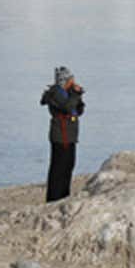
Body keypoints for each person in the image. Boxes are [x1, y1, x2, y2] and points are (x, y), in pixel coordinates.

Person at [40, 66, 86, 202]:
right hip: (61, 136)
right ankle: (54, 198)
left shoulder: (68, 93)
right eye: (71, 79)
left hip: (69, 136)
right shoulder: (56, 94)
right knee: (58, 168)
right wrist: (76, 95)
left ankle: (64, 195)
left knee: (68, 166)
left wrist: (78, 96)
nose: (73, 81)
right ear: (64, 80)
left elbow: (78, 110)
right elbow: (68, 107)